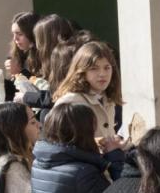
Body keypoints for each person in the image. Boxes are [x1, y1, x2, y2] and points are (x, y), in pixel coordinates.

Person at [51, 40, 127, 175]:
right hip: (82, 176)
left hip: (104, 173)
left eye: (107, 67)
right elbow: (58, 146)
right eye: (94, 68)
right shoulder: (70, 102)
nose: (102, 74)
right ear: (81, 71)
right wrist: (97, 143)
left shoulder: (107, 98)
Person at [18, 13, 76, 117]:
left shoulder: (65, 57)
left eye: (39, 39)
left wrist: (26, 97)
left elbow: (59, 96)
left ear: (47, 40)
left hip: (77, 110)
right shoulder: (58, 56)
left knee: (46, 113)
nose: (37, 45)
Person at [0, 10, 39, 112]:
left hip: (36, 102)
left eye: (19, 34)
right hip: (20, 98)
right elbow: (14, 89)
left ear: (31, 34)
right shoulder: (18, 53)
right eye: (13, 34)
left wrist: (19, 72)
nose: (15, 38)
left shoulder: (40, 53)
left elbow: (39, 88)